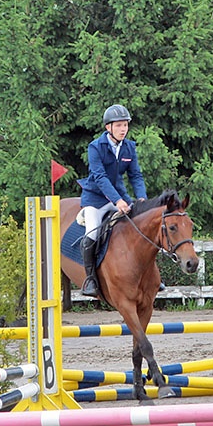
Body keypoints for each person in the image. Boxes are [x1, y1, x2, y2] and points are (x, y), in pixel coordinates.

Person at [79, 104, 147, 298]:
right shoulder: (95, 147)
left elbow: (135, 175)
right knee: (92, 233)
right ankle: (90, 279)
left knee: (142, 226)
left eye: (125, 125)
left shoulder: (129, 147)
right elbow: (100, 178)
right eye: (118, 125)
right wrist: (117, 201)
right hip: (95, 199)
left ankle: (149, 276)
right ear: (108, 127)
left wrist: (141, 197)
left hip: (120, 196)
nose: (123, 129)